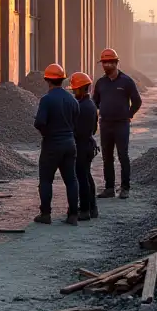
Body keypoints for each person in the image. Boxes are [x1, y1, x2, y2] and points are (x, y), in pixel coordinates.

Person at [32, 63, 80, 226]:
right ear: (62, 80)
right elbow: (76, 120)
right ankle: (73, 215)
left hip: (52, 144)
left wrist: (46, 133)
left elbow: (39, 122)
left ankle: (46, 214)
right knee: (71, 180)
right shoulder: (72, 100)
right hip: (69, 143)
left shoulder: (46, 100)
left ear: (47, 80)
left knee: (46, 180)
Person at [91, 48, 142, 200]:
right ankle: (109, 188)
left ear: (115, 63)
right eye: (104, 63)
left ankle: (125, 188)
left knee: (123, 156)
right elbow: (95, 102)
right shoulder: (100, 83)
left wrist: (129, 114)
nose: (106, 65)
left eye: (109, 63)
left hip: (121, 125)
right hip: (105, 125)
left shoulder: (126, 81)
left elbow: (137, 101)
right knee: (107, 157)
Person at [70, 72, 99, 221]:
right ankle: (92, 208)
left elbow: (77, 130)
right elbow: (94, 128)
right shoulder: (90, 104)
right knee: (87, 176)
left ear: (82, 89)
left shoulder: (82, 107)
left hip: (81, 146)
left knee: (81, 178)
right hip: (87, 144)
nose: (74, 93)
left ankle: (85, 210)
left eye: (75, 90)